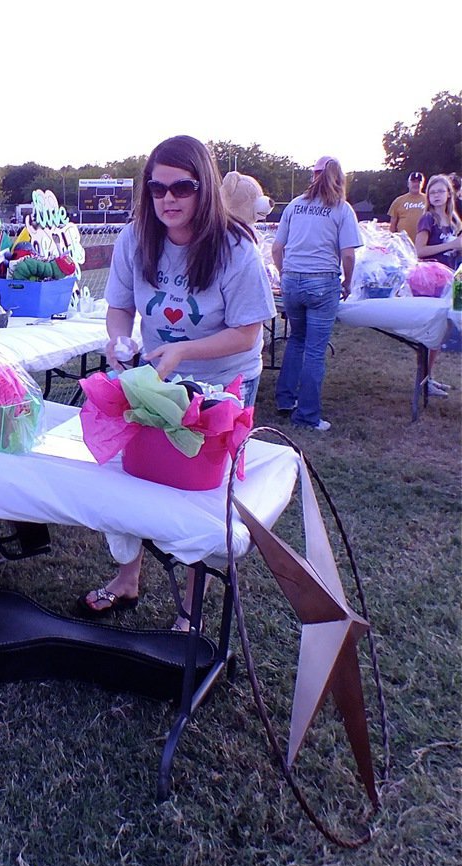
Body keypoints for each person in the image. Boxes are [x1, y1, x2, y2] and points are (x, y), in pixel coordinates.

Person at [76, 135, 275, 627]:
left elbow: (248, 333)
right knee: (132, 476)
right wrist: (120, 342)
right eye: (157, 187)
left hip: (224, 383)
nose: (168, 198)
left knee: (199, 493)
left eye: (182, 187)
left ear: (203, 187)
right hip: (157, 377)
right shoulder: (135, 237)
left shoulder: (235, 247)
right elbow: (119, 308)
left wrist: (184, 350)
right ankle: (128, 578)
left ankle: (190, 607)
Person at [272, 155, 362, 431]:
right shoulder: (341, 209)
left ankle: (285, 400)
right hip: (323, 281)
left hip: (292, 280)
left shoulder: (295, 206)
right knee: (314, 349)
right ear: (339, 178)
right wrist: (347, 282)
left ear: (314, 175)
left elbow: (277, 248)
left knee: (296, 339)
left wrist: (285, 272)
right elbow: (348, 254)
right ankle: (308, 415)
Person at [414, 174, 462, 397]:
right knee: (431, 332)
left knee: (444, 332)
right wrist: (451, 245)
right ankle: (423, 380)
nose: (435, 196)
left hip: (453, 280)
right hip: (432, 281)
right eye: (432, 192)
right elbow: (420, 251)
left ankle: (429, 377)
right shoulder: (428, 219)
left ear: (449, 194)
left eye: (440, 191)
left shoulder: (454, 220)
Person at [388, 172, 427, 241]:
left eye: (418, 182)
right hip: (403, 244)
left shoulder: (429, 200)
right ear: (408, 184)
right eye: (413, 182)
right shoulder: (398, 201)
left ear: (423, 184)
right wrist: (392, 240)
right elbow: (393, 225)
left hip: (424, 243)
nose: (416, 184)